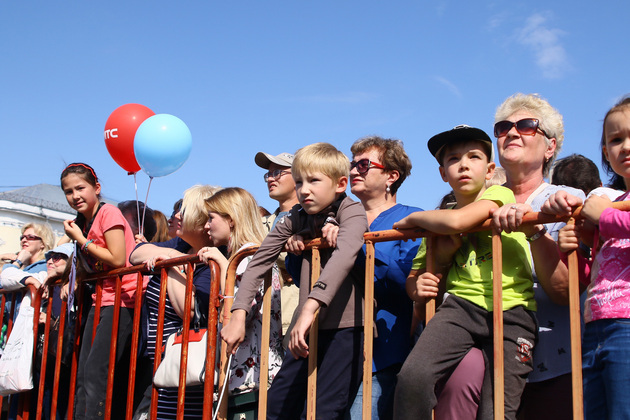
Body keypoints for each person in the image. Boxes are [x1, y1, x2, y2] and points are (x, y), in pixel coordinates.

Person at [392, 125, 537, 420]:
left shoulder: (500, 193)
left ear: (490, 170)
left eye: (473, 157)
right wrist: (417, 287)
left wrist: (413, 218)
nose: (463, 165)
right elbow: (414, 279)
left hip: (513, 309)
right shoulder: (436, 222)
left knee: (497, 409)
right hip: (460, 307)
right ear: (443, 173)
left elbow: (459, 221)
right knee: (412, 378)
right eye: (453, 159)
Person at [221, 142, 368, 419]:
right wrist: (238, 315)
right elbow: (258, 262)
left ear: (340, 184)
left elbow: (344, 256)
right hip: (307, 328)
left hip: (346, 327)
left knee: (323, 412)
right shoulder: (295, 216)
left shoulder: (352, 210)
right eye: (299, 182)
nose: (304, 190)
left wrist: (309, 308)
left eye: (314, 181)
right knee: (276, 407)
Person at [489, 94, 585, 420]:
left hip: (554, 366)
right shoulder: (479, 207)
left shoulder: (567, 203)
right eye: (503, 127)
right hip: (489, 364)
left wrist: (534, 231)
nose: (512, 133)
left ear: (550, 147)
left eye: (528, 126)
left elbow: (564, 291)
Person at [543, 96, 630, 419]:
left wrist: (604, 216)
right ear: (606, 152)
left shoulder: (607, 209)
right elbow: (592, 274)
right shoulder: (614, 203)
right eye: (616, 140)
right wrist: (575, 248)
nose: (625, 146)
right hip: (595, 324)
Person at [340, 136, 421, 419]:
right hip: (337, 352)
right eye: (352, 165)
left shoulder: (413, 219)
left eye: (364, 165)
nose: (353, 171)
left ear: (391, 176)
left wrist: (364, 248)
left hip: (383, 352)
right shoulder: (338, 220)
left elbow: (406, 284)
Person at [130, 185, 221, 419]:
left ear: (202, 220)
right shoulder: (181, 246)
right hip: (161, 364)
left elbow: (188, 310)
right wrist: (174, 257)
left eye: (185, 210)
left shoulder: (211, 260)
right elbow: (136, 253)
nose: (177, 215)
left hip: (185, 366)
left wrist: (171, 267)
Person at [60, 162, 139, 420]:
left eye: (80, 188)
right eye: (68, 191)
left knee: (96, 371)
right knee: (84, 372)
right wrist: (70, 280)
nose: (75, 196)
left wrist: (81, 240)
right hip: (101, 297)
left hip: (124, 298)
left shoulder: (109, 213)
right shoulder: (81, 222)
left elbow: (117, 258)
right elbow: (91, 264)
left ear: (96, 188)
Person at [197, 187, 283, 398]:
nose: (206, 225)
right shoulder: (243, 256)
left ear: (231, 220)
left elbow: (239, 313)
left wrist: (224, 265)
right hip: (246, 373)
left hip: (254, 378)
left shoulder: (250, 257)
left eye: (211, 218)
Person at [1, 242, 74, 419]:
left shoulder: (76, 284)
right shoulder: (42, 277)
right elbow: (6, 276)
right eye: (50, 257)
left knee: (56, 408)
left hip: (62, 362)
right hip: (37, 359)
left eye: (58, 257)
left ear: (72, 262)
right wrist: (30, 280)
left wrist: (71, 279)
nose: (50, 261)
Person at [255, 150, 300, 340]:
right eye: (268, 174)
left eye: (277, 173)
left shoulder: (310, 218)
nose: (270, 179)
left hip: (294, 312)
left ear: (298, 177)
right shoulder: (261, 223)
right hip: (263, 316)